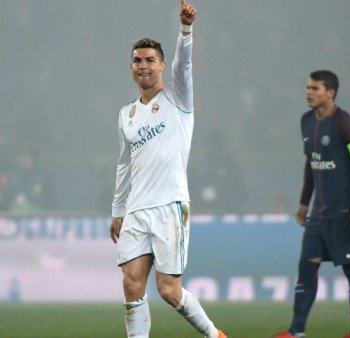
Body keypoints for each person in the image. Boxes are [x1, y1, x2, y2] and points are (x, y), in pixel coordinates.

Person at [109, 1, 227, 337]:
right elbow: (124, 165)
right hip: (136, 210)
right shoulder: (126, 115)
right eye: (137, 60)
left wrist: (185, 30)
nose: (143, 66)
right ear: (131, 67)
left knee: (169, 291)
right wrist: (118, 210)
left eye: (149, 60)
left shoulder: (178, 98)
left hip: (169, 206)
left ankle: (213, 334)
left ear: (161, 65)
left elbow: (185, 63)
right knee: (131, 284)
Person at [274, 70, 350, 338]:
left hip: (345, 211)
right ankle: (296, 332)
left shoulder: (346, 125)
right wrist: (304, 202)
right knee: (307, 267)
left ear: (330, 93)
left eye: (315, 88)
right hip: (319, 212)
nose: (308, 92)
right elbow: (312, 162)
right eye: (307, 87)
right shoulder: (306, 121)